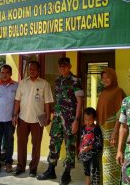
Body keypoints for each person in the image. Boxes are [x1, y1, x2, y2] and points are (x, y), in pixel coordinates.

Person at [37, 57, 84, 185]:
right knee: (54, 144)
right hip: (57, 119)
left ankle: (67, 173)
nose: (62, 68)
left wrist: (77, 120)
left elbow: (80, 101)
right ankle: (51, 170)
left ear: (70, 66)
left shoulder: (75, 81)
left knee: (70, 146)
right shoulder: (58, 80)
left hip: (70, 120)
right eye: (60, 66)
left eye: (65, 65)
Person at [12, 61, 54, 177]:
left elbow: (47, 102)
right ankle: (20, 167)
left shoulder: (44, 84)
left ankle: (33, 169)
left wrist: (47, 116)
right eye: (30, 69)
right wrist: (15, 115)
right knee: (21, 144)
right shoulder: (22, 83)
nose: (31, 71)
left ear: (38, 70)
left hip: (37, 120)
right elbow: (17, 100)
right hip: (22, 118)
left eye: (34, 69)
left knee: (36, 145)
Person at [96, 67, 125, 185]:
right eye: (103, 78)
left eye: (107, 77)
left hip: (114, 131)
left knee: (115, 156)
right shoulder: (103, 93)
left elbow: (121, 114)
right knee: (105, 156)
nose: (105, 80)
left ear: (113, 77)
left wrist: (115, 131)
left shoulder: (119, 92)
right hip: (104, 131)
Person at [79, 107, 103, 185]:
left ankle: (95, 183)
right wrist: (80, 149)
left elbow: (99, 143)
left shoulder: (96, 129)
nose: (88, 122)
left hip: (94, 154)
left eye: (89, 120)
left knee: (95, 170)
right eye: (86, 120)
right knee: (86, 169)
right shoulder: (83, 128)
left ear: (94, 119)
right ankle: (87, 182)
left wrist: (89, 147)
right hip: (85, 154)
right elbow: (81, 139)